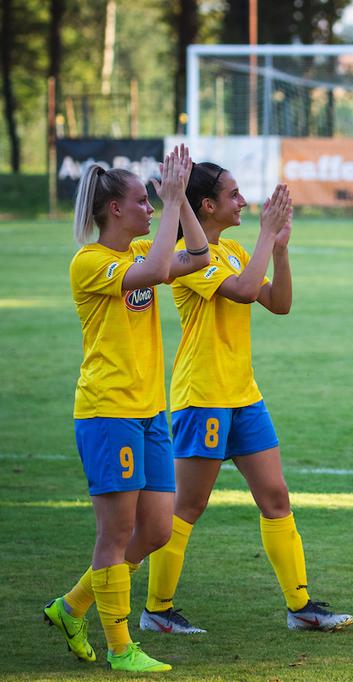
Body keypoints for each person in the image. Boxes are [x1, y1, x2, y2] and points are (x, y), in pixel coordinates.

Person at [140, 166, 353, 634]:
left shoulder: (234, 250)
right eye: (233, 195)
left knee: (276, 497)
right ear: (207, 207)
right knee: (188, 507)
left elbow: (278, 302)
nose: (243, 201)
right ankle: (157, 610)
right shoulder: (186, 255)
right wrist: (265, 235)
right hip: (204, 397)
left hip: (244, 395)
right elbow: (239, 291)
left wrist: (279, 250)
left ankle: (301, 607)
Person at [44, 146, 211, 672]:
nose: (149, 208)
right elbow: (162, 267)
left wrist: (179, 205)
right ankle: (120, 648)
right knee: (115, 534)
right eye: (143, 201)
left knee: (157, 530)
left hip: (149, 412)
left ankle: (72, 607)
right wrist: (178, 197)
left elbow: (200, 255)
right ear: (113, 209)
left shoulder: (139, 246)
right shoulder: (90, 262)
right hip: (107, 411)